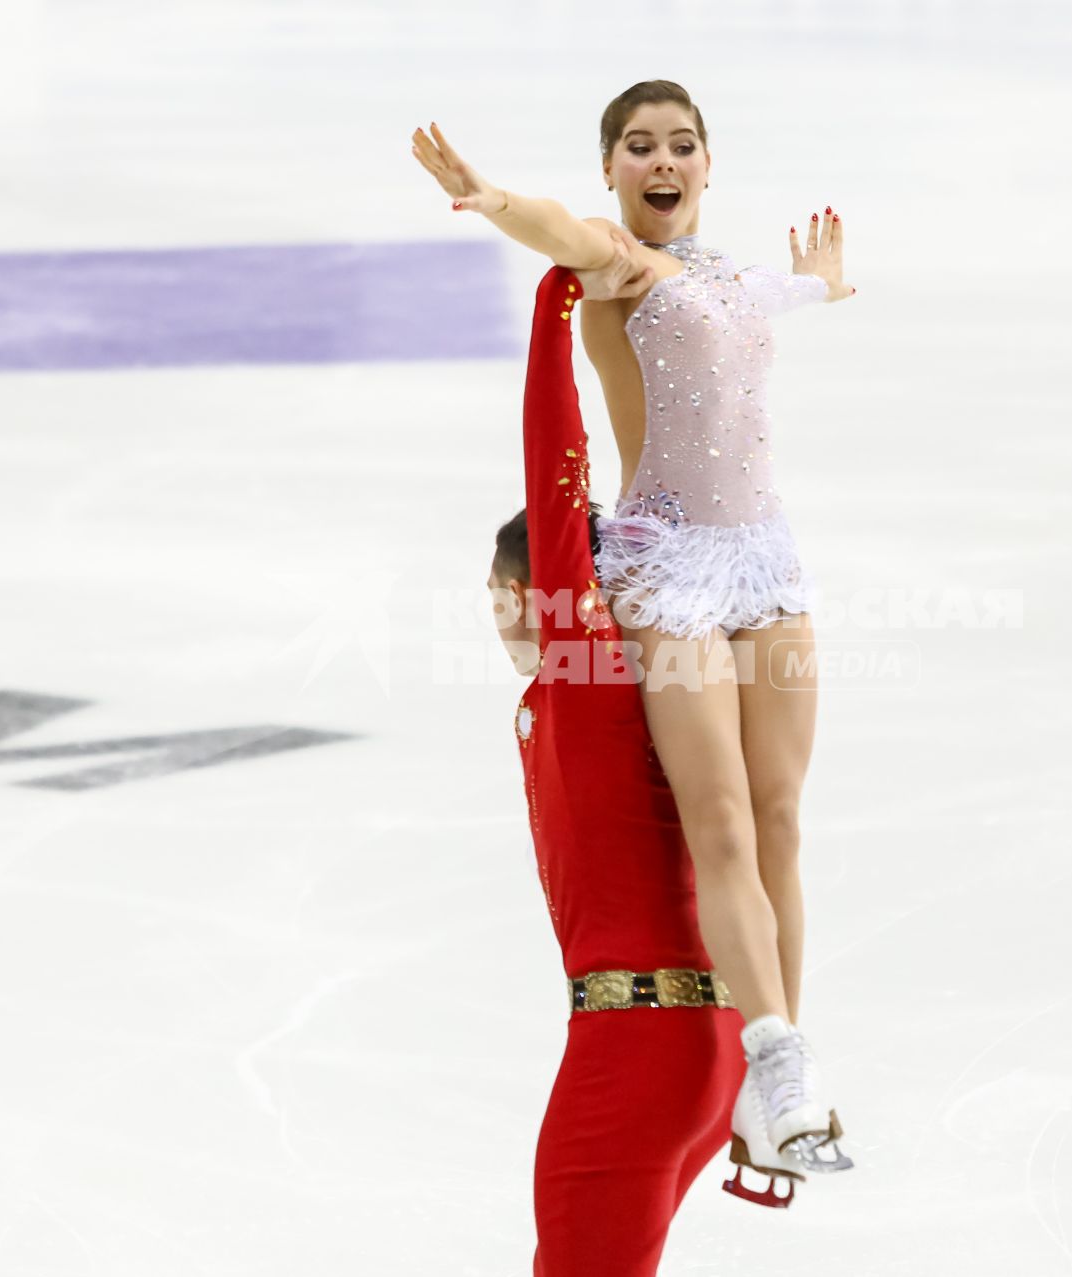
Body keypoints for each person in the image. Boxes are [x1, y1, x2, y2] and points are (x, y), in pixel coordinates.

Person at [415, 78, 856, 1181]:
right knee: (714, 815)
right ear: (612, 167)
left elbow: (773, 300)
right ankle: (777, 1050)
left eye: (683, 145)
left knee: (780, 814)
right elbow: (555, 235)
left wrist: (818, 287)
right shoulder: (618, 261)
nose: (664, 160)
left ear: (709, 165)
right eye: (640, 146)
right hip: (672, 572)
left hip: (768, 557)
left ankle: (765, 1091)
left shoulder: (727, 274)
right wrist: (492, 197)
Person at [491, 253, 825, 1275]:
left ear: (523, 589)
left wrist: (558, 301)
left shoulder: (586, 656)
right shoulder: (662, 675)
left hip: (633, 1046)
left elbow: (560, 459)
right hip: (711, 1038)